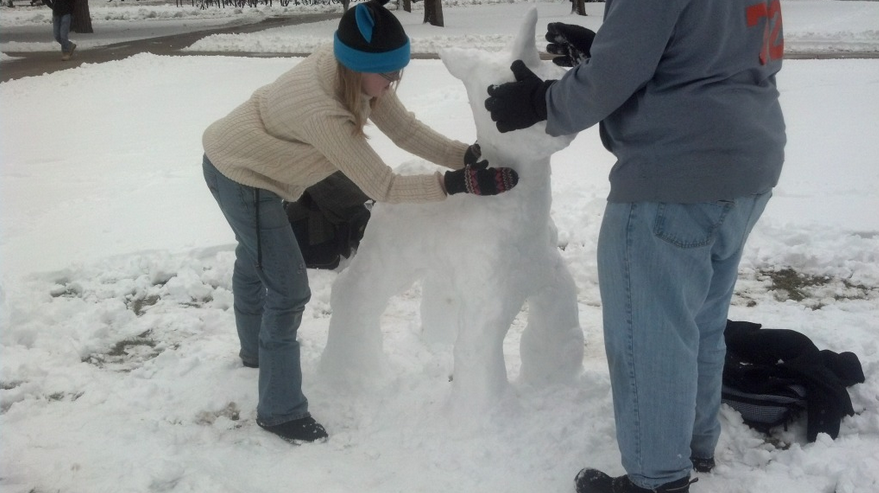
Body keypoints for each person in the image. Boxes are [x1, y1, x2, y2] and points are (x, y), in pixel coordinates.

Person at [484, 1, 786, 492]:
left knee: (650, 335)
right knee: (698, 320)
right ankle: (693, 445)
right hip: (749, 162)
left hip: (675, 174)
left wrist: (543, 101)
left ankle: (657, 479)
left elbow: (615, 77)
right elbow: (716, 44)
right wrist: (606, 48)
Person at [201, 0, 518, 445]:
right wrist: (457, 183)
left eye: (399, 71)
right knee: (288, 289)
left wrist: (463, 156)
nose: (394, 82)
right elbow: (383, 185)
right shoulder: (323, 109)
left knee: (255, 255)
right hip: (241, 173)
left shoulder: (358, 77)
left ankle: (255, 351)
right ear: (358, 67)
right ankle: (279, 410)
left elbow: (404, 130)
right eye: (388, 74)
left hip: (262, 166)